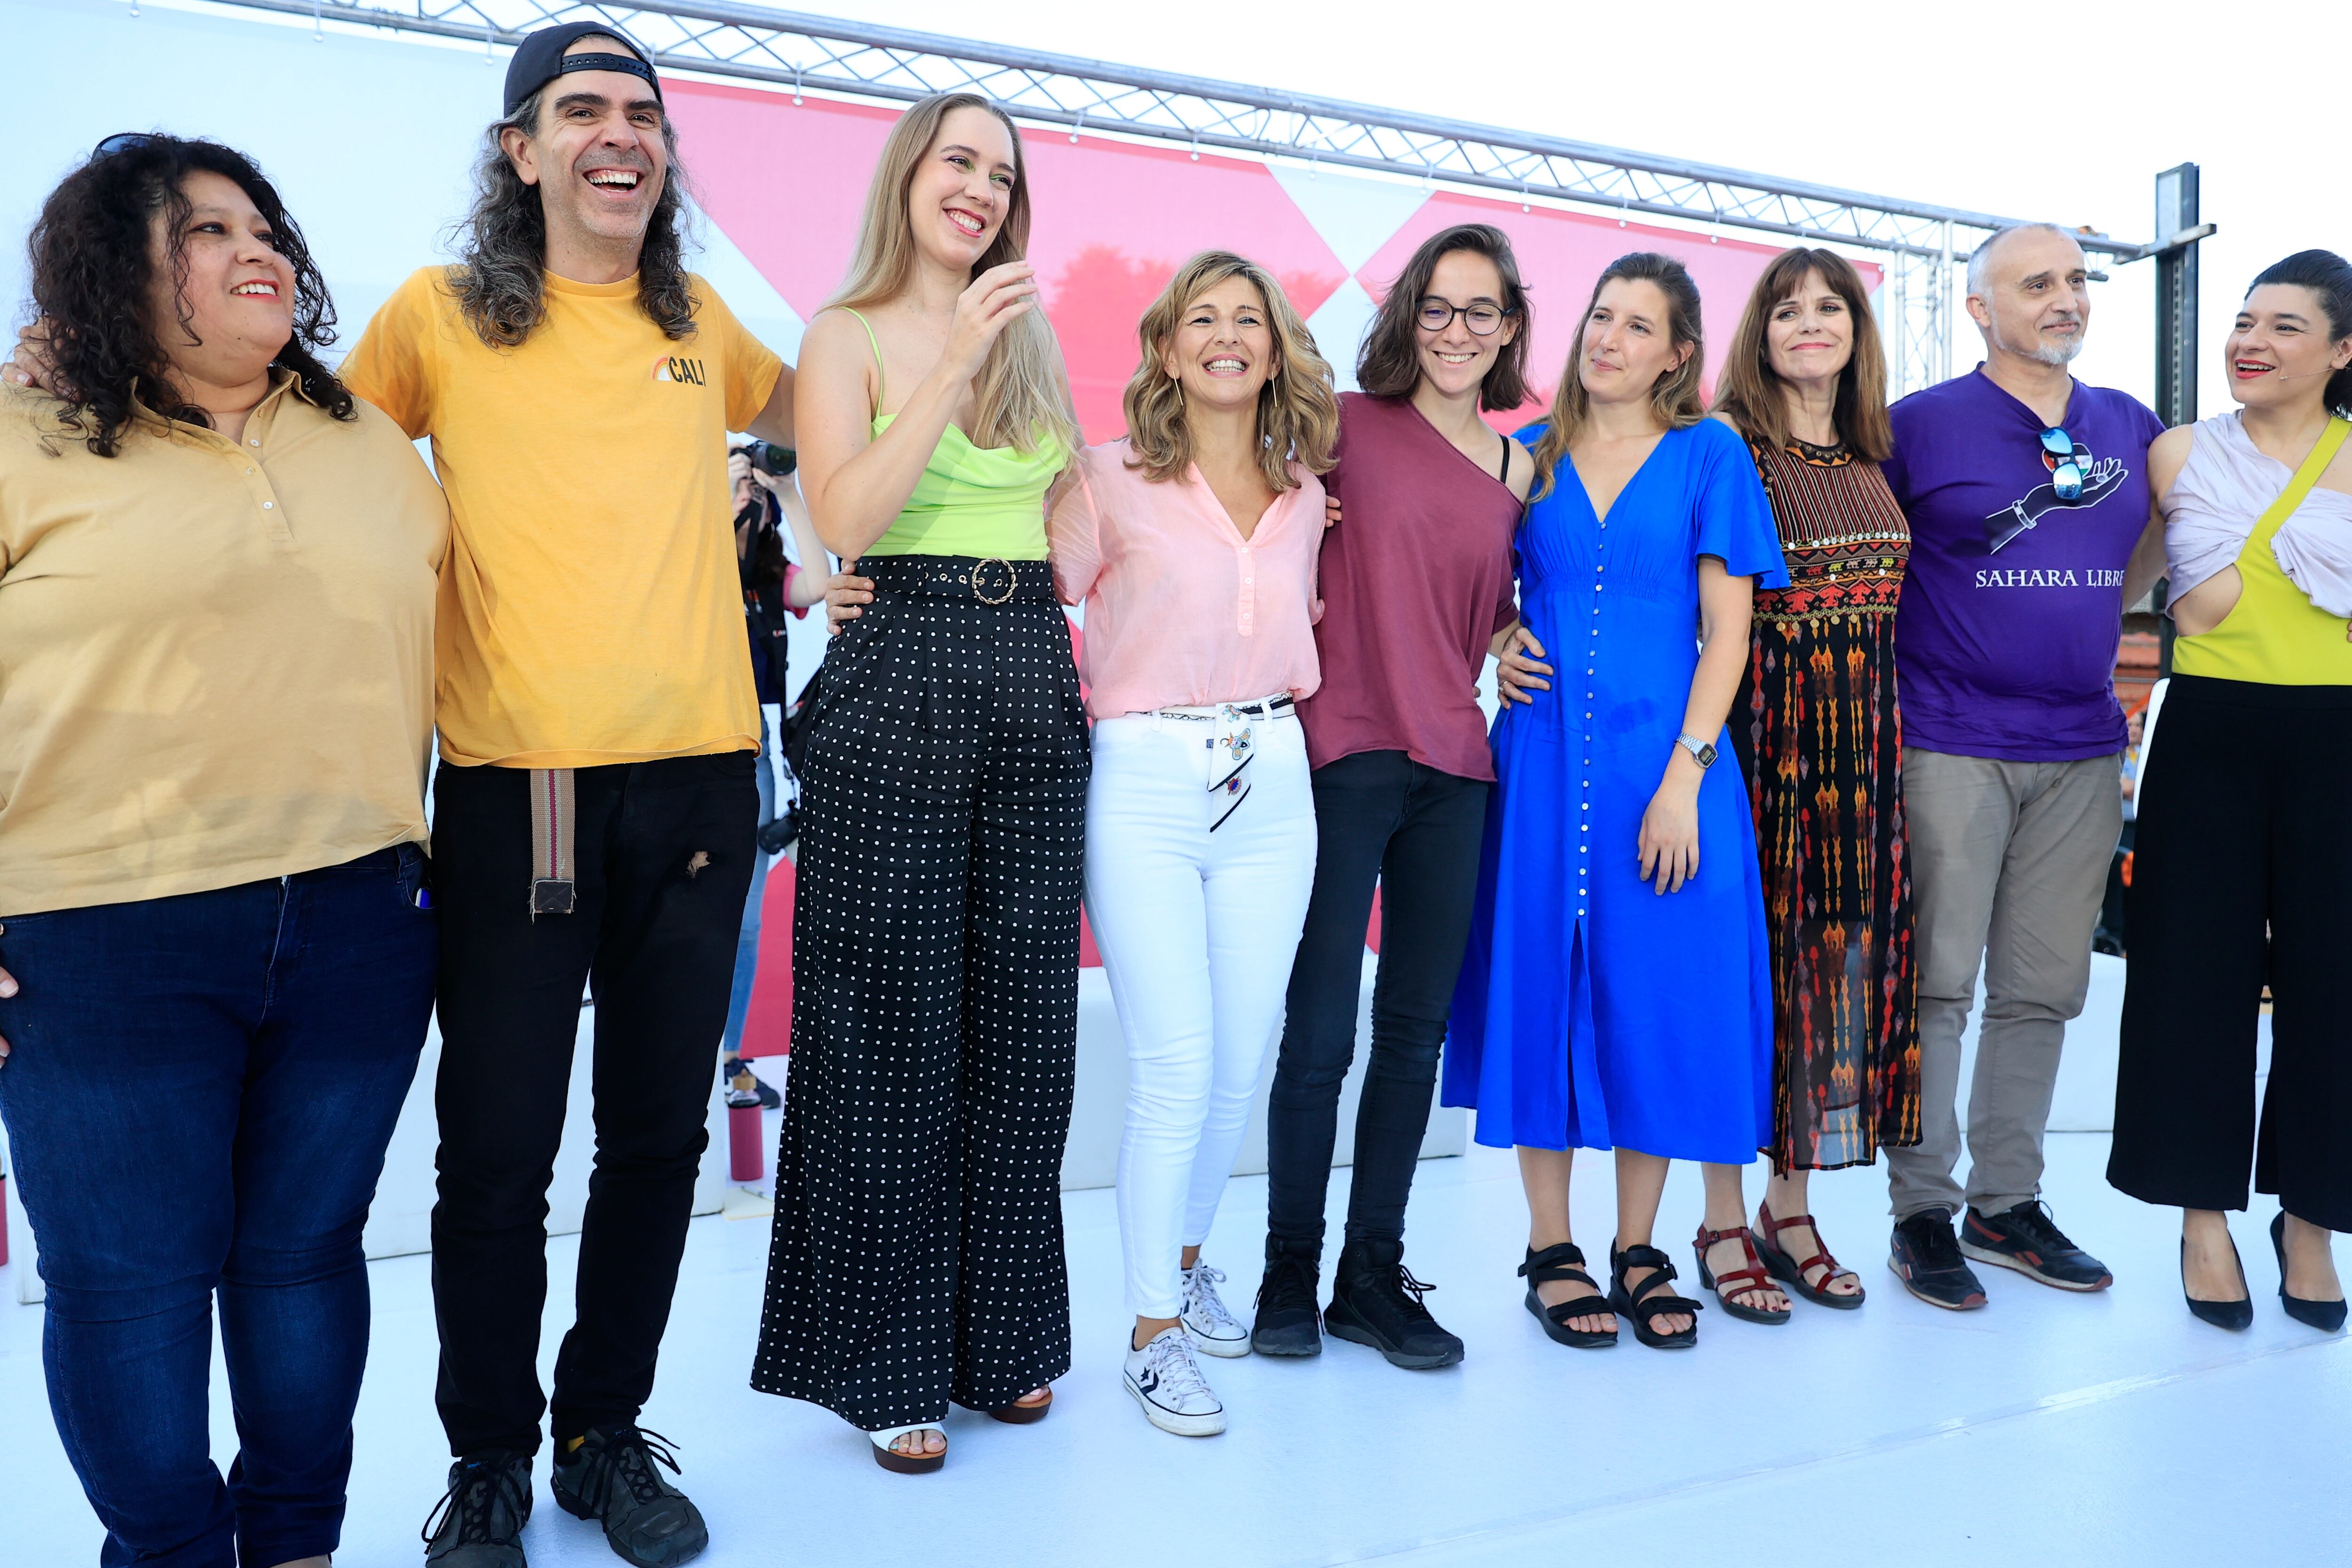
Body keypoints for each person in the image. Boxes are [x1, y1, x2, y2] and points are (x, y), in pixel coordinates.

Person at [336, 25, 802, 1567]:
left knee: (659, 1132)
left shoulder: (700, 324)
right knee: (497, 1148)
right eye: (582, 111)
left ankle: (604, 1434)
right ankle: (489, 1457)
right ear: (521, 150)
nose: (623, 134)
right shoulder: (438, 316)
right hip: (516, 787)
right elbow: (313, 465)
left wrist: (838, 552)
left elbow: (824, 427)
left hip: (697, 781)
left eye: (645, 115)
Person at [0, 135, 445, 1568]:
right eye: (203, 230)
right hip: (97, 937)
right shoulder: (25, 432)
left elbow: (496, 648)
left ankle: (298, 1544)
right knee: (130, 1293)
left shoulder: (366, 435)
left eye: (264, 224)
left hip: (360, 919)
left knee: (305, 1261)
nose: (256, 246)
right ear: (111, 269)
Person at [752, 92, 1083, 1473]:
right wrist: (948, 361)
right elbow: (844, 519)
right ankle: (887, 1363)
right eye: (961, 161)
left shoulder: (1032, 343)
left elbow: (1072, 518)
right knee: (887, 1023)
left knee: (1022, 1021)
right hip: (902, 662)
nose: (982, 189)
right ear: (909, 174)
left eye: (1002, 175)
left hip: (1028, 660)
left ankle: (999, 1339)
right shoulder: (848, 333)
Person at [1446, 251, 1788, 1350]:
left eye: (1640, 326)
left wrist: (1685, 775)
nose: (1610, 338)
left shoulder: (1709, 453)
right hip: (1540, 762)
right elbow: (1469, 588)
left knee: (1657, 991)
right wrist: (1498, 635)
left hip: (1665, 764)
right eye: (1601, 315)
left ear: (1678, 353)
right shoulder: (1522, 458)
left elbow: (1728, 631)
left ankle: (1637, 1246)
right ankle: (1552, 1245)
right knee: (1544, 983)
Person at [1051, 252, 1339, 1435]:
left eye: (1249, 319)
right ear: (1166, 348)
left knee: (1241, 1057)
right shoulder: (1105, 478)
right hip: (1145, 779)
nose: (1227, 335)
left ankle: (1179, 1259)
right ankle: (1150, 1333)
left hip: (1272, 773)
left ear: (1273, 348)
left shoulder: (1305, 489)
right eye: (1201, 319)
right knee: (1172, 1061)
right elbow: (1025, 600)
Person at [1251, 223, 1534, 1370]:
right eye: (1438, 307)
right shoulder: (1338, 430)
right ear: (1406, 314)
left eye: (1481, 312)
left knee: (1412, 1035)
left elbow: (1497, 598)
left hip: (1457, 770)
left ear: (1510, 329)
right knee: (1318, 1033)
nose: (1457, 331)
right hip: (1341, 753)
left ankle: (1371, 1274)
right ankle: (1285, 1273)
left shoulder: (1524, 468)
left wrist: (1513, 635)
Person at [1876, 223, 2167, 1311]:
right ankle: (1921, 1211)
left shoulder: (2127, 425)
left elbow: (2139, 555)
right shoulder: (1917, 426)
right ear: (1979, 309)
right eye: (2036, 282)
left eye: (2078, 280)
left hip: (2083, 747)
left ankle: (2007, 1203)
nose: (2065, 298)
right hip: (1948, 736)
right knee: (1941, 984)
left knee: (2042, 988)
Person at [2109, 248, 2352, 1333]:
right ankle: (2200, 1211)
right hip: (2205, 725)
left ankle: (2310, 1216)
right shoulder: (2175, 451)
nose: (2249, 340)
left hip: (2338, 732)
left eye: (2285, 326)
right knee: (2187, 971)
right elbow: (2123, 580)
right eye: (2244, 320)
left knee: (2335, 980)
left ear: (2341, 352)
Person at [1709, 247, 1918, 1310]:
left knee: (1832, 977)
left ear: (1854, 330)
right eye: (1785, 310)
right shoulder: (1727, 446)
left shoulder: (1878, 450)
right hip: (1765, 745)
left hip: (1865, 752)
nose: (1808, 324)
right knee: (1746, 977)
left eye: (1828, 307)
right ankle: (1713, 1219)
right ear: (1761, 332)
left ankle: (1786, 1207)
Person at [719, 446, 826, 1114]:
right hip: (682, 754)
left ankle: (732, 1058)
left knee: (749, 922)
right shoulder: (684, 563)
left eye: (747, 488)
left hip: (756, 755)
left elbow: (819, 579)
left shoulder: (767, 579)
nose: (744, 496)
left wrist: (784, 489)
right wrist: (715, 503)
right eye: (736, 482)